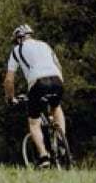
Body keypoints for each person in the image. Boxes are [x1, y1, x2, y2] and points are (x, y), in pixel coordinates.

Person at [5, 24, 67, 167]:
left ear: (18, 39)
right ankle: (61, 141)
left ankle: (44, 156)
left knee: (34, 122)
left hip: (38, 84)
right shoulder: (45, 45)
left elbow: (9, 80)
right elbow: (59, 66)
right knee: (56, 107)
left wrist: (10, 98)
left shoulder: (16, 50)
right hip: (57, 80)